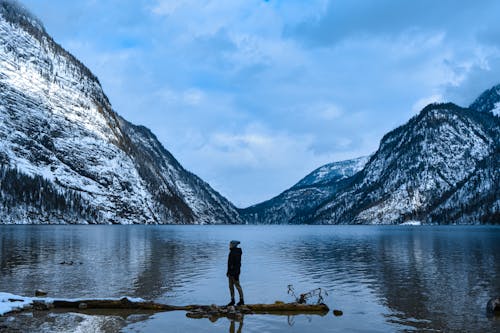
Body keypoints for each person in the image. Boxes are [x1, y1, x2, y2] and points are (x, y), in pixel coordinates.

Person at [226, 240, 244, 306]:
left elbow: (237, 265)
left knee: (237, 286)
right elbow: (229, 263)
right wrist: (228, 272)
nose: (229, 245)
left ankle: (241, 300)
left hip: (235, 273)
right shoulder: (232, 251)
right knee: (230, 287)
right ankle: (232, 300)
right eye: (229, 244)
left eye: (230, 244)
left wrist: (236, 274)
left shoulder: (236, 252)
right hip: (230, 273)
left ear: (234, 245)